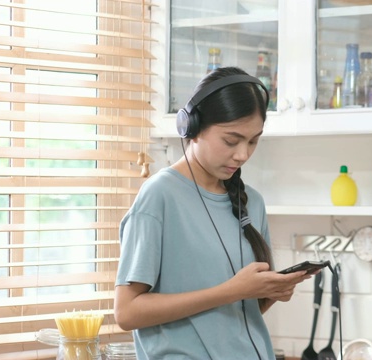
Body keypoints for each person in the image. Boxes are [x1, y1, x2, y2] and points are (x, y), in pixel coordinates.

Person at [114, 66, 312, 359]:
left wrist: (270, 292)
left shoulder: (252, 202)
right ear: (192, 128)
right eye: (231, 141)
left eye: (253, 141)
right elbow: (127, 313)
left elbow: (238, 312)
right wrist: (231, 290)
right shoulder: (160, 196)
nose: (243, 154)